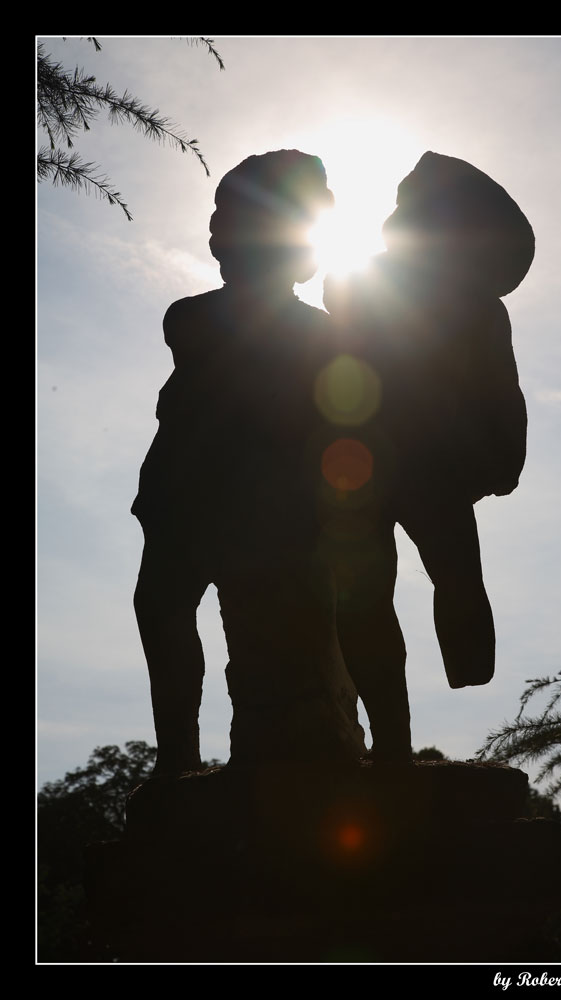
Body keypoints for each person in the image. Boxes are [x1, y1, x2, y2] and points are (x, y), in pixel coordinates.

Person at [132, 150, 339, 775]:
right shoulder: (194, 316)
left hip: (263, 500)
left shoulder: (314, 332)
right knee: (162, 609)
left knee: (265, 636)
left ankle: (283, 752)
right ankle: (179, 762)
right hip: (188, 492)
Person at [323, 151, 534, 760]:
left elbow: (501, 386)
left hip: (423, 464)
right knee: (365, 596)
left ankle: (449, 681)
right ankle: (391, 737)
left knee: (452, 574)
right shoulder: (358, 283)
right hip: (358, 465)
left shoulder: (477, 307)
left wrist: (503, 457)